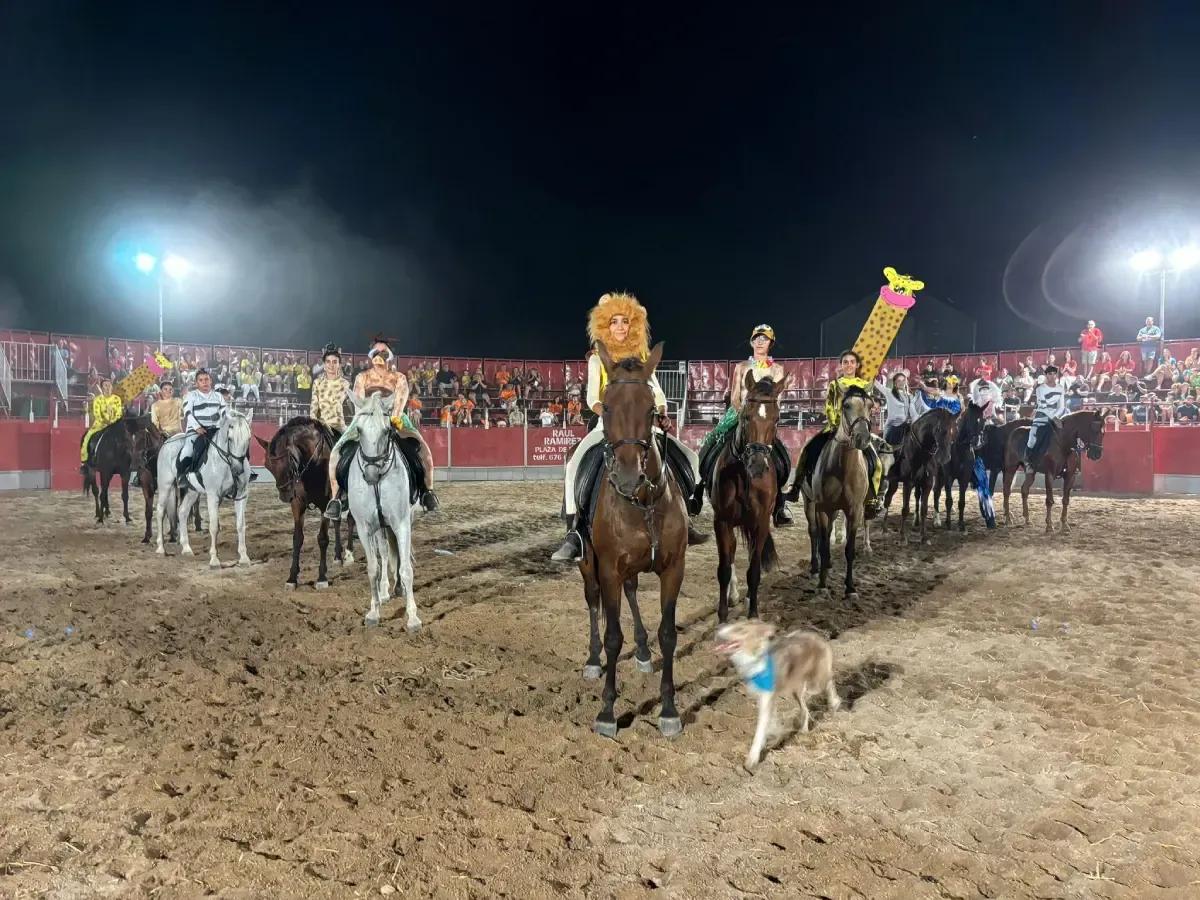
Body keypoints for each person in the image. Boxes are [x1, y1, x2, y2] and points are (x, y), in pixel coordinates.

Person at [551, 292, 708, 562]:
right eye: (614, 321)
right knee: (573, 463)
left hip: (642, 424)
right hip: (608, 424)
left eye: (625, 321)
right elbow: (592, 398)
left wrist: (661, 411)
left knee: (691, 458)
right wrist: (609, 416)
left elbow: (656, 390)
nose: (620, 327)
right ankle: (574, 532)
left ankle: (685, 520)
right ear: (605, 326)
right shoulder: (596, 359)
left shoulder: (642, 357)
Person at [324, 336, 440, 520]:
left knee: (424, 451)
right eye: (376, 352)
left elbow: (400, 399)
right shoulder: (362, 377)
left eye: (383, 352)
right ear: (371, 355)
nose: (379, 355)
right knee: (335, 454)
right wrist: (368, 419)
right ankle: (337, 498)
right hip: (367, 418)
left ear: (389, 356)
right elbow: (359, 403)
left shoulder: (399, 377)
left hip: (394, 418)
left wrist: (393, 419)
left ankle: (427, 492)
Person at [696, 324, 793, 525]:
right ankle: (699, 488)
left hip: (763, 418)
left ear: (770, 343)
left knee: (783, 456)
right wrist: (743, 415)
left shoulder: (777, 370)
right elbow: (734, 397)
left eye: (764, 339)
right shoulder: (741, 367)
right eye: (756, 338)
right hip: (739, 414)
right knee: (710, 442)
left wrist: (763, 417)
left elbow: (776, 398)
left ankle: (781, 505)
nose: (760, 342)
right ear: (751, 342)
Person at [796, 349, 883, 518]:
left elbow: (866, 408)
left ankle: (872, 498)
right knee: (808, 449)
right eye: (845, 362)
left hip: (857, 430)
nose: (849, 365)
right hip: (836, 428)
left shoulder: (864, 386)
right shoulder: (835, 385)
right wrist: (835, 423)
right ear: (841, 365)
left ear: (857, 365)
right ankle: (796, 486)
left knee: (876, 462)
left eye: (852, 362)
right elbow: (829, 405)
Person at [177, 369, 228, 479]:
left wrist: (223, 426)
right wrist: (197, 427)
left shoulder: (218, 396)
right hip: (196, 431)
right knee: (188, 450)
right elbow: (187, 413)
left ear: (211, 381)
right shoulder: (191, 395)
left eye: (206, 379)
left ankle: (241, 473)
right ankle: (183, 477)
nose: (204, 382)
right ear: (196, 383)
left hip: (216, 430)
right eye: (201, 380)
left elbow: (225, 413)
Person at [1023, 364, 1068, 466]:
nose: (1052, 376)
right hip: (1041, 416)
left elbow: (1061, 407)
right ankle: (1028, 460)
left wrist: (1055, 418)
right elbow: (1043, 407)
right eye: (1050, 374)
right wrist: (1054, 418)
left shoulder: (1060, 388)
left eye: (1054, 374)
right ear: (1046, 375)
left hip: (1056, 416)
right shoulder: (1040, 389)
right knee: (1032, 437)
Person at [79, 377, 124, 472]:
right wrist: (105, 422)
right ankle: (84, 462)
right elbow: (97, 414)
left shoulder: (117, 399)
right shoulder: (98, 400)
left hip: (115, 425)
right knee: (87, 437)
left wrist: (113, 422)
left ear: (112, 387)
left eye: (109, 385)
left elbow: (119, 413)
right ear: (102, 388)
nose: (107, 387)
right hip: (100, 425)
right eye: (105, 385)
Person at [309, 343, 351, 433]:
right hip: (320, 427)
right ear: (324, 364)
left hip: (338, 426)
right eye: (328, 362)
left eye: (334, 362)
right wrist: (315, 422)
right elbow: (314, 406)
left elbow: (335, 403)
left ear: (339, 365)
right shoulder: (317, 383)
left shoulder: (344, 383)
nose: (331, 365)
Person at [880, 370, 921, 447]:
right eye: (899, 380)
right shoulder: (889, 392)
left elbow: (914, 415)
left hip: (904, 426)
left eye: (903, 380)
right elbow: (876, 384)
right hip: (891, 426)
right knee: (886, 448)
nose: (901, 382)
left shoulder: (909, 397)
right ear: (895, 383)